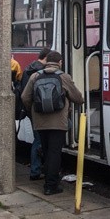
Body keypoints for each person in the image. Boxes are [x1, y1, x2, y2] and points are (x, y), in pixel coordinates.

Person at [21, 50, 83, 195]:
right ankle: (51, 186)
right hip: (58, 122)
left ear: (47, 61)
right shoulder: (64, 77)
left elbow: (25, 97)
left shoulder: (35, 76)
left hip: (40, 121)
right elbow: (78, 97)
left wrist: (33, 111)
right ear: (60, 62)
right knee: (55, 153)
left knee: (46, 150)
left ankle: (48, 181)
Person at [18, 47, 51, 180]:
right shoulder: (40, 72)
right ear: (46, 58)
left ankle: (37, 169)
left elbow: (25, 95)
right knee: (39, 141)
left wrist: (29, 109)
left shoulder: (28, 68)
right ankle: (36, 171)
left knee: (38, 139)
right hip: (40, 111)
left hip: (31, 110)